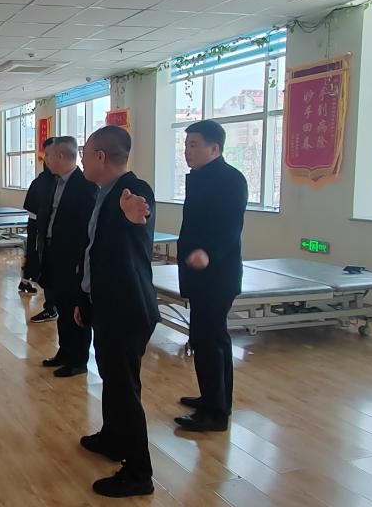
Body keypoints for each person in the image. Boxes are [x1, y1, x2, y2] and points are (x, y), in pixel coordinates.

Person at [76, 126, 158, 498]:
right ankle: (113, 438)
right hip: (107, 303)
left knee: (125, 388)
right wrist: (85, 300)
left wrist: (133, 217)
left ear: (100, 157)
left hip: (127, 307)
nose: (81, 161)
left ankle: (138, 472)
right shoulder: (103, 192)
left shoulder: (133, 191)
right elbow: (94, 252)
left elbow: (139, 227)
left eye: (85, 154)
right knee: (111, 376)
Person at [174, 120, 247, 432]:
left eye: (193, 144)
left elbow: (230, 227)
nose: (186, 151)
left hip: (217, 274)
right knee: (206, 339)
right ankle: (212, 398)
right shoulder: (200, 177)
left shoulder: (231, 180)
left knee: (210, 340)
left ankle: (216, 414)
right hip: (198, 273)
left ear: (214, 148)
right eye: (186, 144)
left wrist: (208, 253)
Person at [38, 136, 98, 378]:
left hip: (73, 259)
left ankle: (78, 359)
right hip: (55, 253)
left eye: (49, 156)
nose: (46, 160)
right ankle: (64, 351)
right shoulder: (56, 182)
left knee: (75, 308)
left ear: (61, 157)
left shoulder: (85, 185)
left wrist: (79, 262)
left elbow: (86, 229)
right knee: (62, 306)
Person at [21, 137, 58, 324]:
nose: (48, 159)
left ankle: (52, 305)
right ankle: (49, 305)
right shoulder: (42, 181)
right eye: (47, 155)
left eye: (52, 155)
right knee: (37, 258)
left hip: (55, 234)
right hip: (39, 229)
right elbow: (32, 209)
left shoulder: (68, 182)